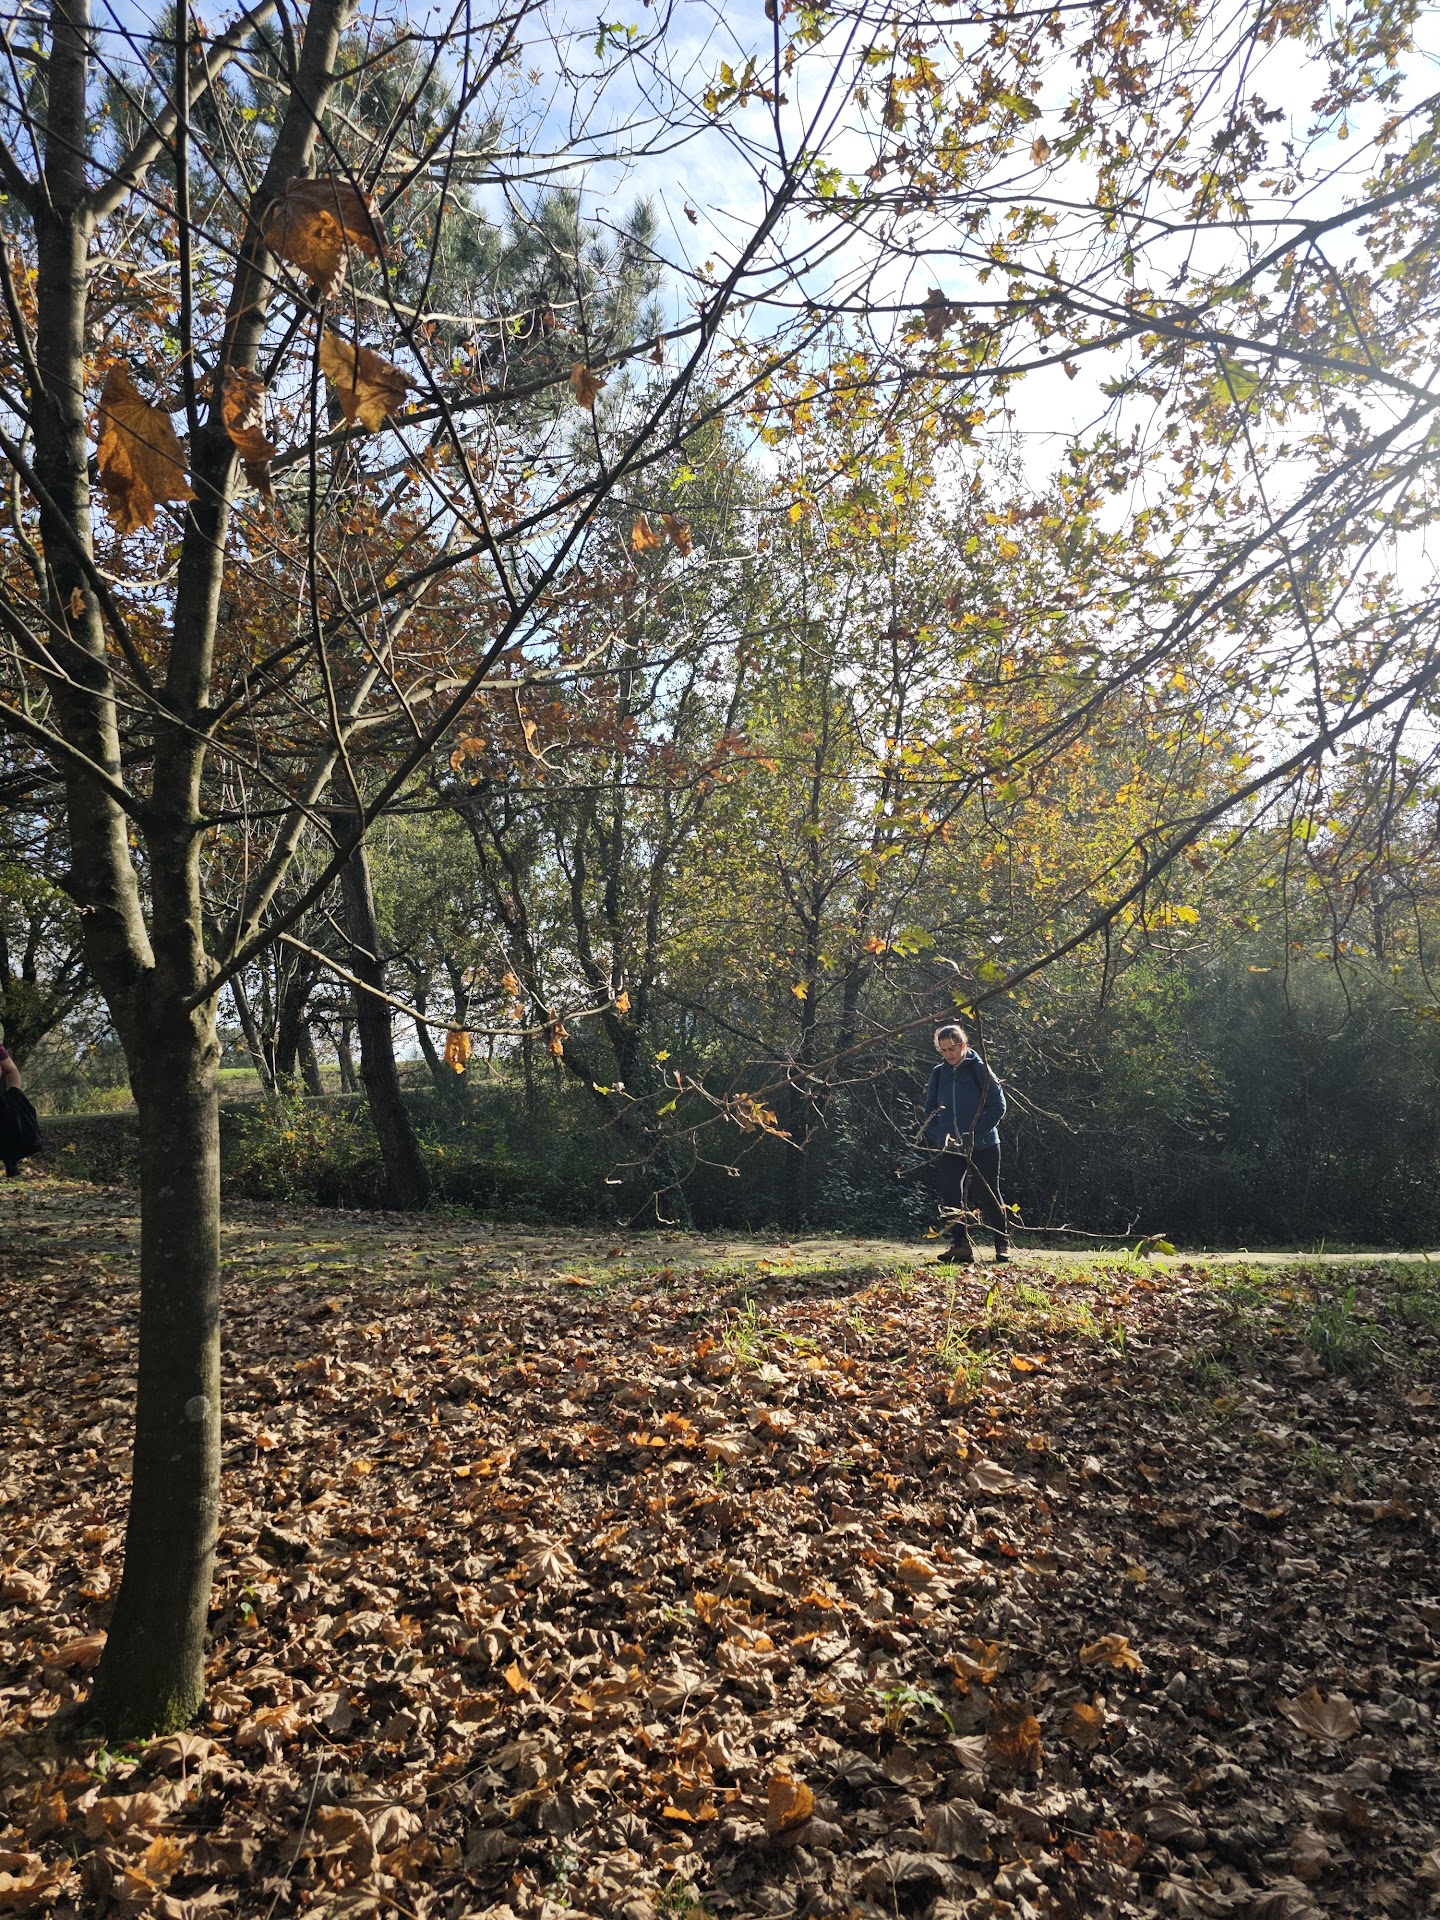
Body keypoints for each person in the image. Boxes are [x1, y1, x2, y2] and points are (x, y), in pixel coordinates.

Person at [922, 1023, 1009, 1264]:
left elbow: (998, 1106)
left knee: (989, 1193)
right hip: (950, 1146)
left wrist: (974, 1134)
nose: (948, 1054)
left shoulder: (980, 1069)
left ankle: (1001, 1243)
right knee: (950, 1193)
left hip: (984, 1144)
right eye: (943, 1050)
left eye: (952, 1049)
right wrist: (940, 1134)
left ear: (962, 1045)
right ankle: (960, 1245)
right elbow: (930, 1109)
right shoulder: (938, 1073)